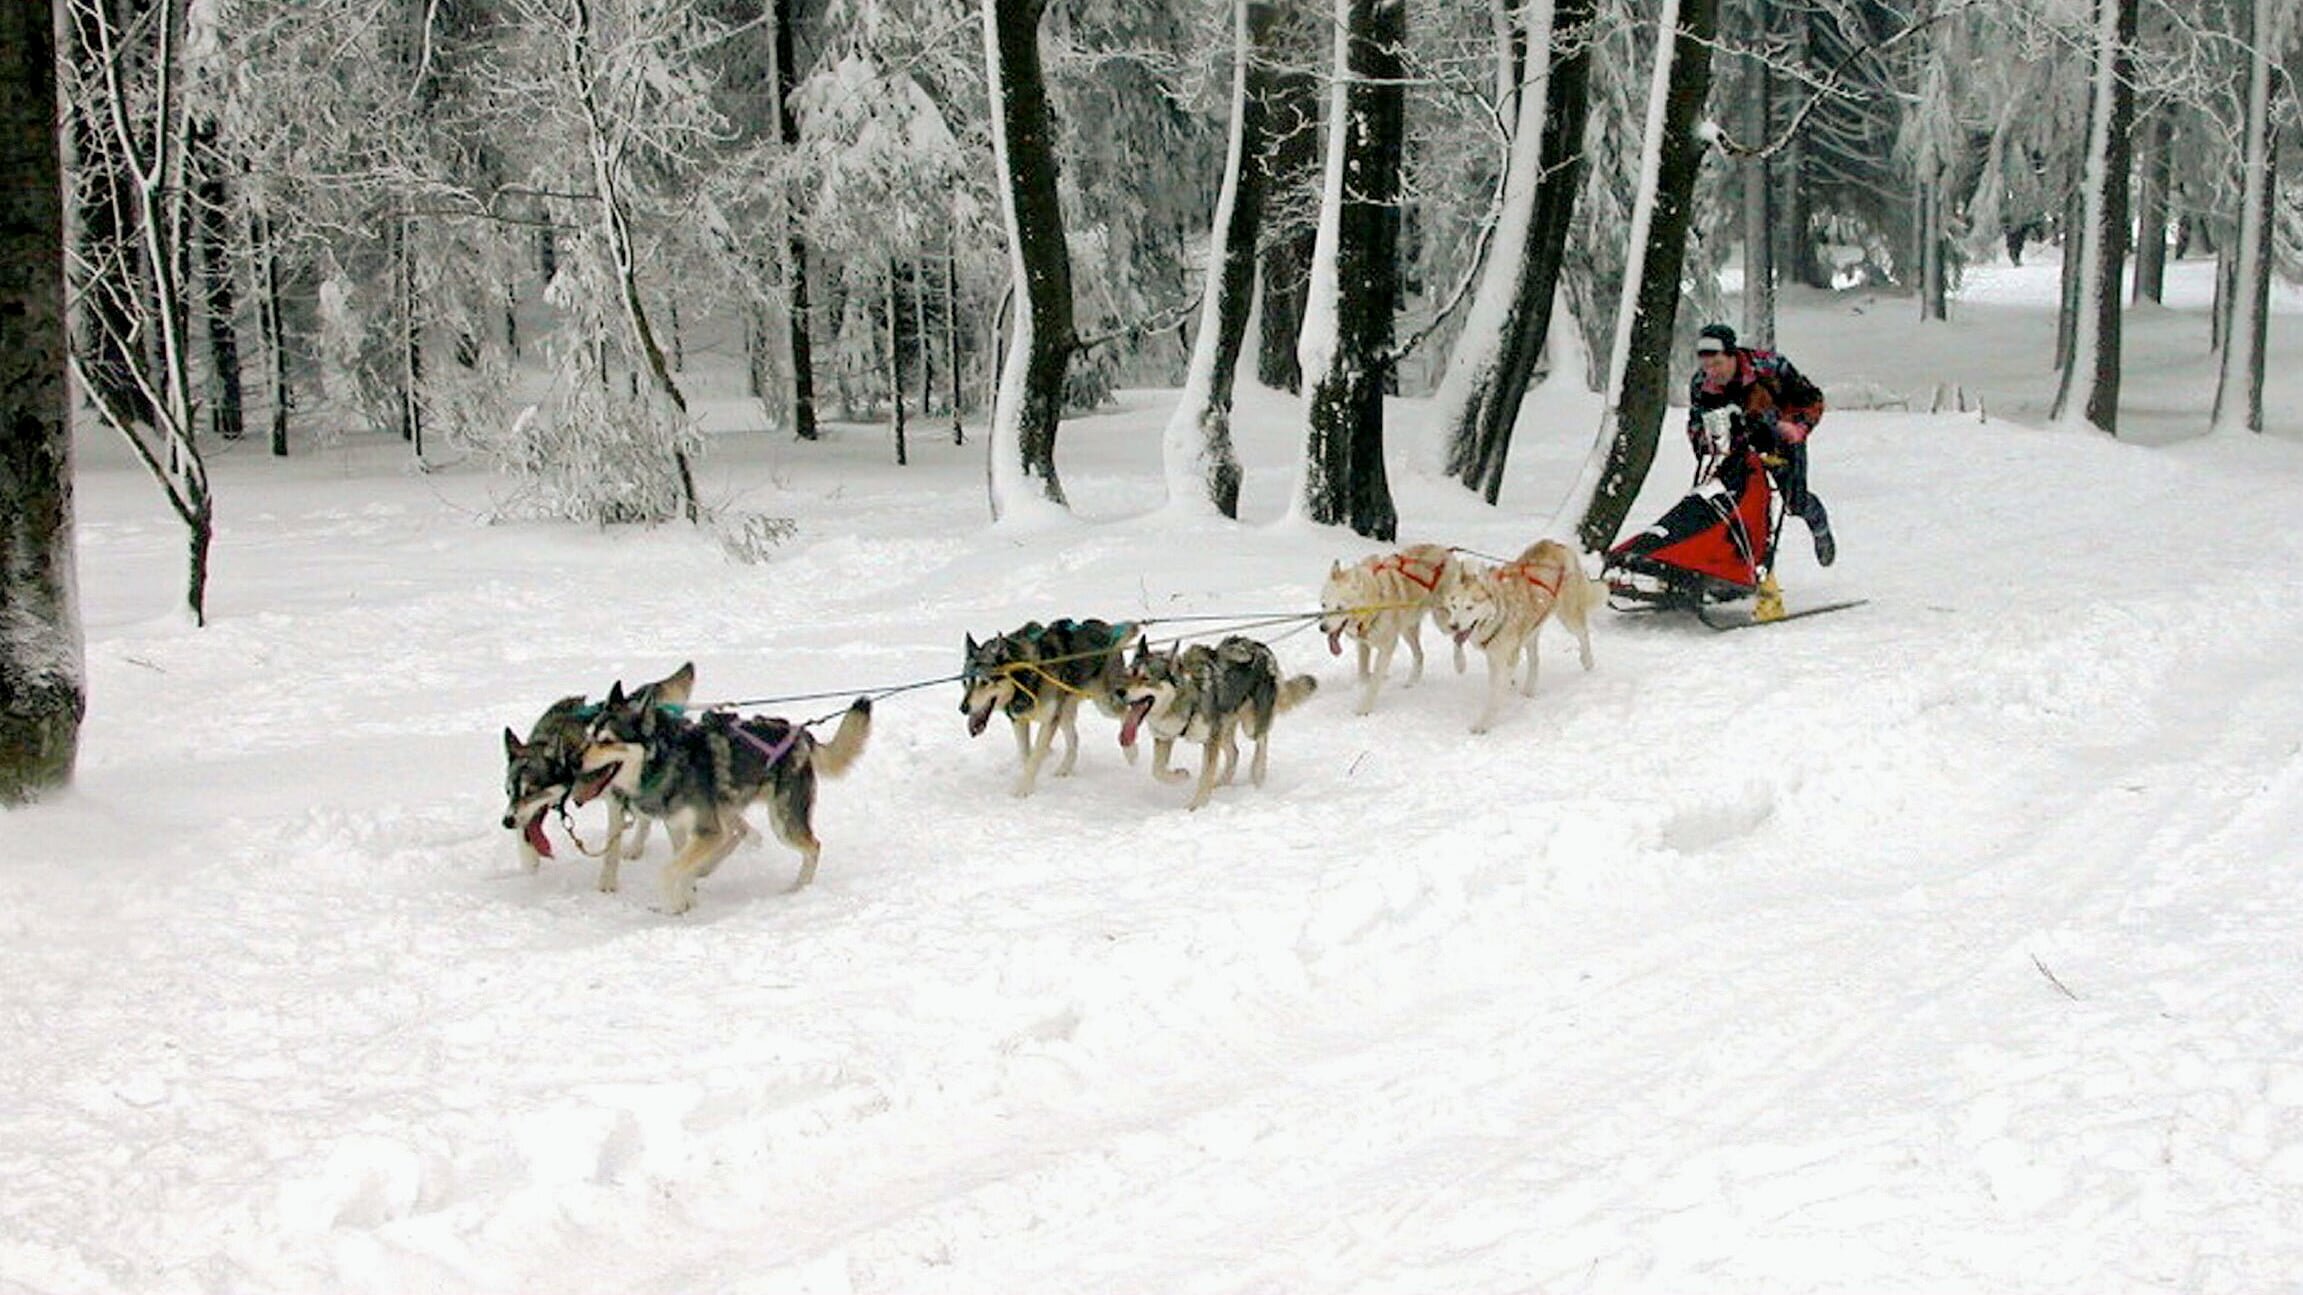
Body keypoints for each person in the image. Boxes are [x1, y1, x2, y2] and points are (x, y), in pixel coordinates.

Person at [1686, 321, 1834, 567]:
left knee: (1793, 499)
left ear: (1733, 355)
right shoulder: (1701, 384)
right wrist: (1706, 444)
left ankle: (1819, 524)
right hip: (1734, 446)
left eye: (1718, 364)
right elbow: (1695, 424)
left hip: (1780, 436)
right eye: (1707, 365)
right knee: (1727, 502)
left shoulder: (1770, 367)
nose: (1712, 372)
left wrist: (1797, 427)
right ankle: (1734, 562)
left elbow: (1811, 398)